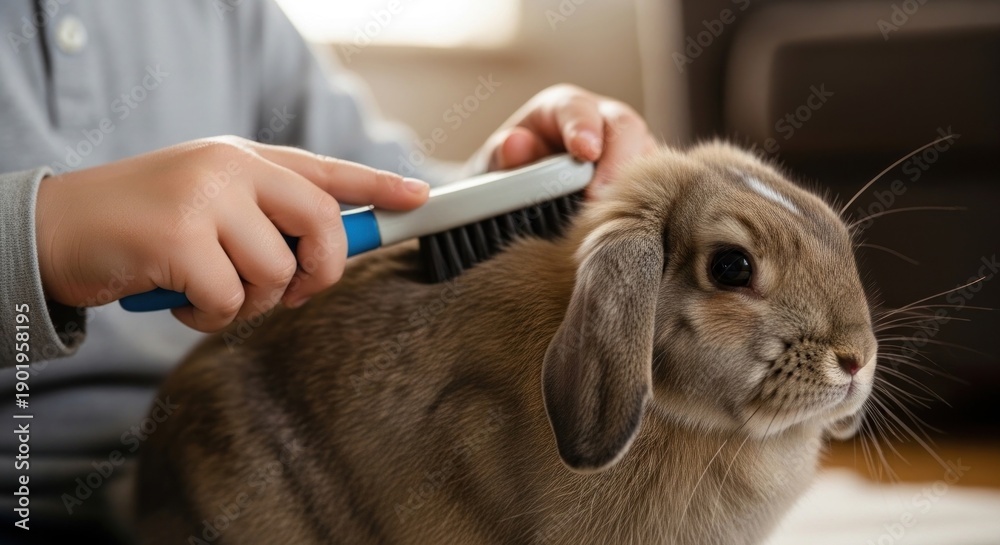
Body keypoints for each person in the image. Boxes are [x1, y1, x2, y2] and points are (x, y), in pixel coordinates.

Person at [0, 0, 655, 540]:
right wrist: (39, 236)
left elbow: (385, 211)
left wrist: (501, 192)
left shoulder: (232, 17)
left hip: (222, 477)